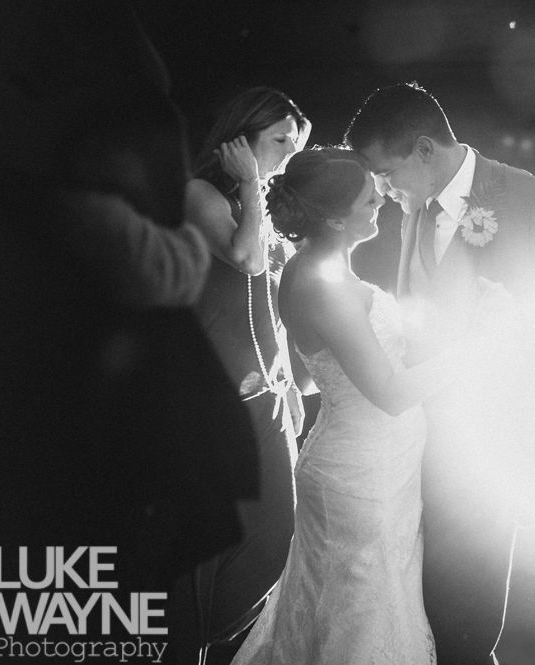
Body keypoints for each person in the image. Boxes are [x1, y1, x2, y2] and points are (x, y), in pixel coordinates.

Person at [0, 0, 259, 656]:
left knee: (47, 618)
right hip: (93, 429)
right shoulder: (69, 150)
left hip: (48, 420)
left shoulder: (27, 129)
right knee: (92, 619)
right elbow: (160, 267)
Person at [344, 81, 535, 665]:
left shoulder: (532, 201)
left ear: (424, 150)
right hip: (410, 443)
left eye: (385, 173)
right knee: (418, 607)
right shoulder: (409, 209)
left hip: (486, 443)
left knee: (467, 621)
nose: (381, 190)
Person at [232, 146, 475, 665]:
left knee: (335, 619)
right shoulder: (326, 283)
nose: (379, 206)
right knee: (364, 622)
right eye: (369, 200)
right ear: (336, 216)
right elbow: (388, 394)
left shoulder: (303, 272)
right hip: (365, 483)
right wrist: (473, 350)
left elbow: (308, 376)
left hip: (365, 467)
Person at [169, 86, 312, 664]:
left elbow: (267, 306)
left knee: (275, 538)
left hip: (266, 398)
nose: (286, 158)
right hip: (211, 403)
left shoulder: (258, 208)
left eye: (295, 146)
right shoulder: (198, 192)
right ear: (240, 140)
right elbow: (248, 259)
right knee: (202, 556)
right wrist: (251, 185)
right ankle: (184, 647)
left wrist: (288, 381)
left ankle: (194, 642)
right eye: (279, 142)